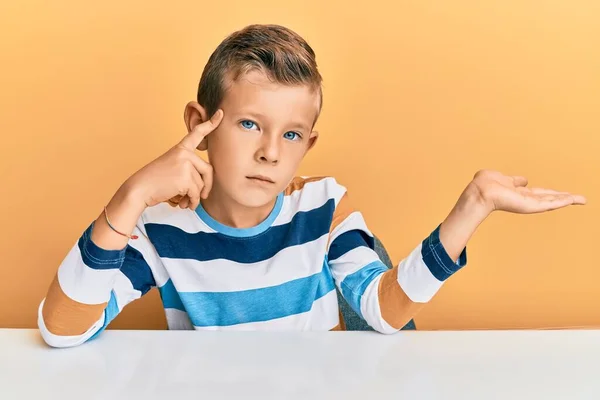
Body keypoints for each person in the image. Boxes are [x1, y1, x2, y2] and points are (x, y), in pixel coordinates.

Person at [38, 24, 586, 348]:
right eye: (249, 124)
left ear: (308, 145)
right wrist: (130, 197)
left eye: (291, 133)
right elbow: (62, 330)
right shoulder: (163, 230)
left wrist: (474, 205)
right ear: (199, 123)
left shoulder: (323, 208)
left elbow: (382, 309)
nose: (270, 152)